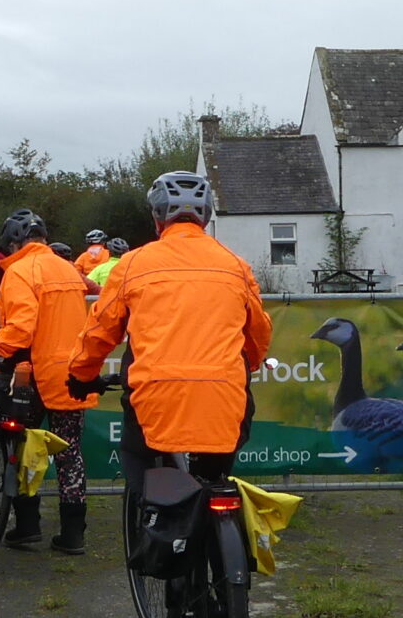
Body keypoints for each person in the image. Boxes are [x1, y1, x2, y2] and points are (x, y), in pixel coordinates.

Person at [69, 174, 270, 507]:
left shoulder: (133, 264)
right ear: (205, 216)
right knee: (214, 480)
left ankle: (152, 539)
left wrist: (81, 375)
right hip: (223, 393)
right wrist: (249, 363)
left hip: (155, 395)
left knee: (144, 465)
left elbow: (100, 330)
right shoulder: (235, 265)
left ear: (157, 217)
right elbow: (258, 332)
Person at [0, 207, 97, 551]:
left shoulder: (20, 271)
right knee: (70, 453)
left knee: (21, 447)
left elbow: (21, 327)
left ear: (12, 243)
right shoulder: (68, 268)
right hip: (72, 373)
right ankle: (73, 533)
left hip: (30, 375)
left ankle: (27, 524)